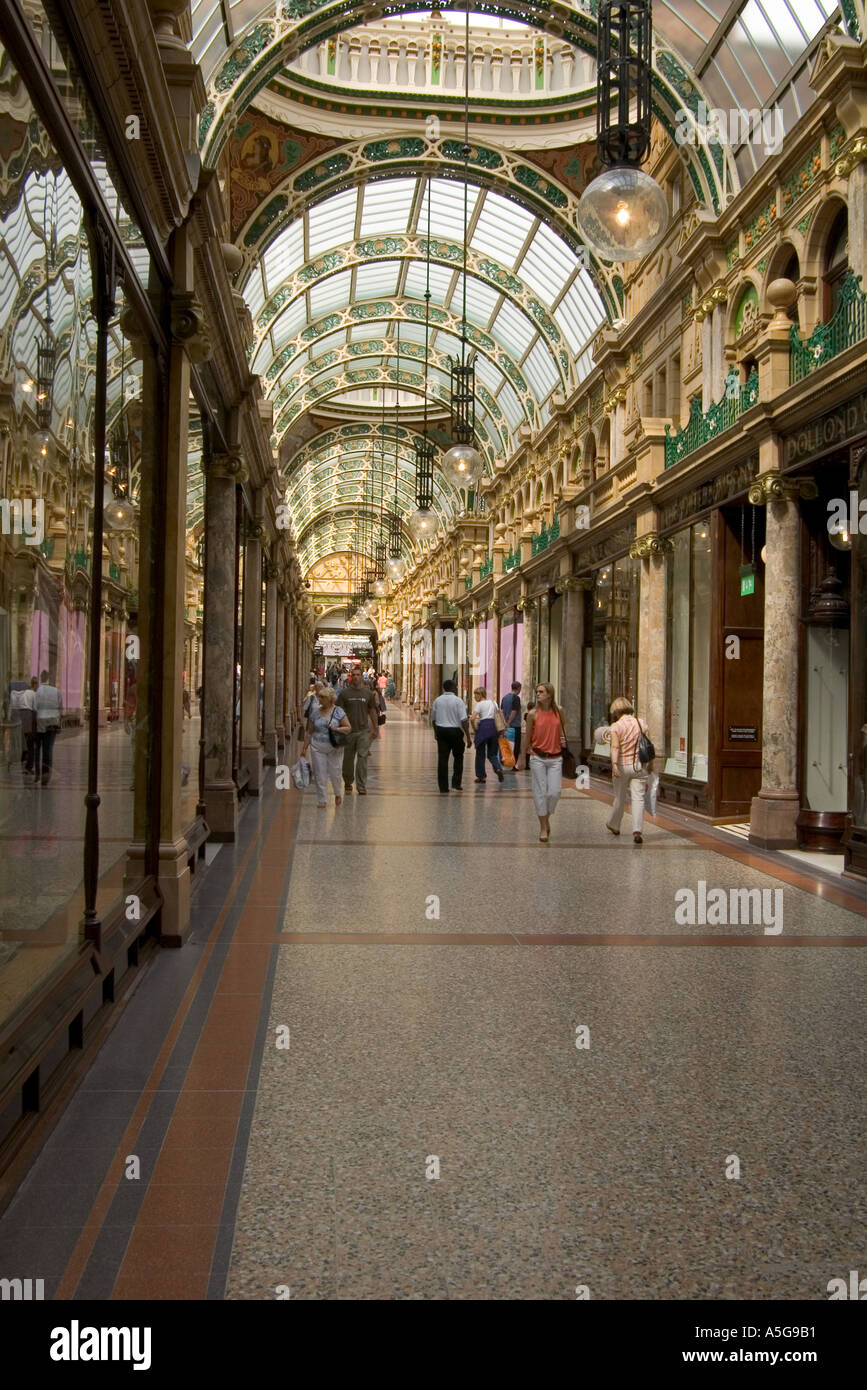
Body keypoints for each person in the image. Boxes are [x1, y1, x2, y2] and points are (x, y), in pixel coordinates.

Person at [606, 695, 650, 844]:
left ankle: (614, 825)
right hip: (638, 767)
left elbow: (615, 747)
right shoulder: (641, 723)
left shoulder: (616, 727)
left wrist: (613, 765)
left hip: (622, 767)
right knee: (638, 799)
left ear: (615, 710)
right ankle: (637, 830)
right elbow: (647, 744)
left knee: (619, 797)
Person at [526, 682, 566, 842]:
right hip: (537, 757)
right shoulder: (532, 714)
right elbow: (527, 736)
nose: (538, 694)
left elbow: (563, 727)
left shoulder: (559, 711)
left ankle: (546, 817)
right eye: (537, 692)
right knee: (540, 792)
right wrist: (522, 757)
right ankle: (543, 826)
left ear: (550, 694)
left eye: (541, 691)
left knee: (554, 792)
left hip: (556, 757)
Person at [301, 684, 351, 808]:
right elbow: (309, 732)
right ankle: (322, 799)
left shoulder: (338, 711)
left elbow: (348, 728)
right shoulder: (315, 712)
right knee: (319, 772)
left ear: (330, 699)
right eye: (319, 697)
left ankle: (337, 793)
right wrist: (304, 748)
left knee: (335, 771)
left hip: (334, 747)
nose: (320, 699)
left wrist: (337, 729)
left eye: (323, 697)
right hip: (317, 746)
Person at [337, 667, 379, 794]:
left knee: (362, 757)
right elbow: (338, 712)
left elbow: (372, 711)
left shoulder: (368, 693)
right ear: (350, 676)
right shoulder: (344, 694)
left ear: (361, 676)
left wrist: (375, 728)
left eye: (358, 675)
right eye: (353, 675)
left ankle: (361, 785)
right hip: (349, 731)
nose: (355, 677)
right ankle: (348, 782)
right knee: (348, 759)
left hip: (363, 731)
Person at [430, 679, 471, 793]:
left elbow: (433, 719)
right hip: (455, 732)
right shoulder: (458, 701)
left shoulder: (437, 700)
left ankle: (443, 786)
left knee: (442, 759)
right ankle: (456, 783)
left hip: (441, 731)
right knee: (458, 757)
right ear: (453, 687)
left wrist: (435, 732)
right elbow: (464, 720)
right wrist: (468, 736)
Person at [34, 669, 62, 786]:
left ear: (41, 678)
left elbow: (34, 707)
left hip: (40, 722)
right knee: (48, 749)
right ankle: (46, 775)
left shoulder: (38, 691)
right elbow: (60, 708)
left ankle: (37, 774)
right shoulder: (56, 691)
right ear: (49, 678)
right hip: (52, 722)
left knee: (37, 748)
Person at [471, 686, 503, 785]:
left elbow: (472, 718)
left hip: (483, 728)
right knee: (492, 753)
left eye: (476, 694)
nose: (474, 697)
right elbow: (499, 714)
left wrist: (474, 728)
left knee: (480, 754)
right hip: (493, 728)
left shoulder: (479, 705)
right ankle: (497, 768)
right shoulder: (494, 703)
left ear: (480, 695)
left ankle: (481, 776)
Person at [18, 677, 38, 776]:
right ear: (35, 684)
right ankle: (29, 767)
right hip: (29, 715)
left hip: (21, 716)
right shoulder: (34, 694)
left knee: (25, 741)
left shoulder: (23, 692)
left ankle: (23, 760)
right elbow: (35, 709)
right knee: (31, 745)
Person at [501, 680, 522, 765]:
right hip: (515, 725)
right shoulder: (516, 698)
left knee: (507, 745)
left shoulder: (504, 697)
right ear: (518, 688)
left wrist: (504, 722)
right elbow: (514, 711)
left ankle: (506, 761)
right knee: (516, 745)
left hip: (506, 726)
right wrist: (509, 722)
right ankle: (513, 764)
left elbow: (501, 711)